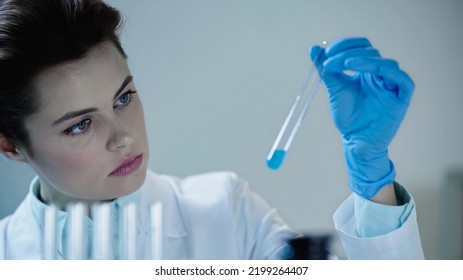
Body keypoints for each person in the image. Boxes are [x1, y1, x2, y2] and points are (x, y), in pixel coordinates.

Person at [0, 0, 423, 259]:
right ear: (11, 145)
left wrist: (371, 175)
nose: (124, 137)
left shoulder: (226, 211)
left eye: (123, 98)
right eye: (80, 125)